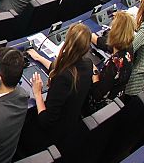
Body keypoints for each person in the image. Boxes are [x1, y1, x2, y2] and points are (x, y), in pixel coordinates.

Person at [23, 23, 94, 155]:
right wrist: (39, 58)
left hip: (51, 137)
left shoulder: (64, 77)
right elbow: (62, 67)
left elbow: (46, 120)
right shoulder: (88, 64)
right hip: (69, 127)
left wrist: (37, 93)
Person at [88, 11, 135, 111]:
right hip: (116, 100)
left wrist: (95, 73)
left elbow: (97, 95)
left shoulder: (115, 65)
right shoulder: (128, 47)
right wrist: (92, 37)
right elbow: (108, 46)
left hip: (100, 108)